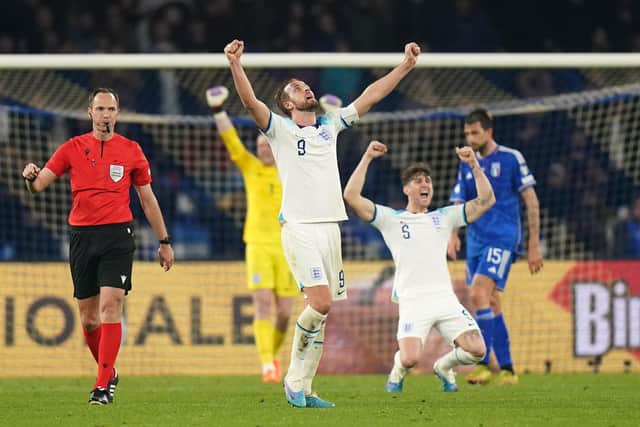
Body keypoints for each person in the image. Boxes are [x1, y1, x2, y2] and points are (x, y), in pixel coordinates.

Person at [223, 38, 420, 408]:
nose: (305, 88)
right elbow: (251, 102)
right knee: (322, 302)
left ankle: (307, 389)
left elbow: (370, 95)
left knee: (324, 313)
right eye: (296, 88)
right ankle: (293, 380)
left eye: (305, 85)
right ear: (287, 103)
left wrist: (405, 66)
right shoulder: (279, 130)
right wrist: (236, 65)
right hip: (299, 228)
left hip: (331, 228)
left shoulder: (330, 124)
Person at [21, 88, 175, 405]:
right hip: (81, 236)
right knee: (89, 319)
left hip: (118, 235)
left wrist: (164, 241)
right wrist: (30, 176)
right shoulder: (72, 148)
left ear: (118, 113)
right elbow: (39, 186)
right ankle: (109, 372)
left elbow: (148, 199)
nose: (106, 114)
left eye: (111, 109)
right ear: (89, 112)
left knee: (111, 305)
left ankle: (101, 386)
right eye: (100, 108)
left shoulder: (132, 150)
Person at [343, 140, 493, 393]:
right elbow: (351, 196)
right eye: (418, 181)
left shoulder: (443, 217)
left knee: (477, 350)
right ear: (406, 190)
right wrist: (367, 157)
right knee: (410, 358)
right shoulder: (391, 220)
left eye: (428, 181)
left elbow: (486, 200)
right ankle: (398, 369)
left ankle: (444, 366)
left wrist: (474, 165)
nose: (425, 184)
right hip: (413, 301)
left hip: (445, 299)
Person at [205, 85, 300, 383]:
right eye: (258, 147)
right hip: (258, 244)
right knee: (261, 305)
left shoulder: (290, 170)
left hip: (288, 246)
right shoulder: (251, 168)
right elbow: (231, 142)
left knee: (285, 313)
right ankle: (266, 365)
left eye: (265, 146)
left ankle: (270, 355)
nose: (261, 150)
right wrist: (218, 110)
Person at [448, 108, 543, 385]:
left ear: (489, 132)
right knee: (490, 301)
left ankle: (483, 362)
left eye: (475, 132)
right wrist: (453, 233)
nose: (470, 137)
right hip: (476, 240)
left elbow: (531, 200)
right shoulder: (467, 162)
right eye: (466, 133)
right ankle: (507, 369)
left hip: (502, 237)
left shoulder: (511, 158)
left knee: (478, 294)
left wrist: (533, 244)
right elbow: (458, 201)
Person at [610, 195, 640, 259]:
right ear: (633, 209)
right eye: (638, 207)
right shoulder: (622, 227)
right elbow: (618, 251)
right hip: (629, 264)